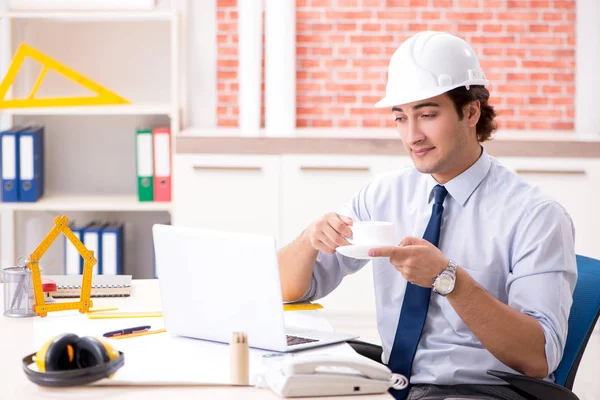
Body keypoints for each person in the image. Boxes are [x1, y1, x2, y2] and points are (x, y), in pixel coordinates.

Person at [277, 31, 577, 400]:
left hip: (483, 392)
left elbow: (538, 358)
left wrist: (448, 279)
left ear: (471, 112)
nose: (412, 136)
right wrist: (310, 238)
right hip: (393, 385)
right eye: (401, 118)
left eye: (428, 115)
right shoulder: (383, 195)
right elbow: (286, 289)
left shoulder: (535, 216)